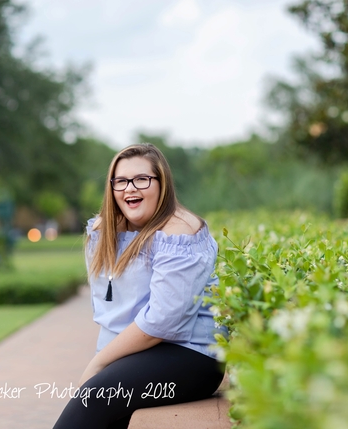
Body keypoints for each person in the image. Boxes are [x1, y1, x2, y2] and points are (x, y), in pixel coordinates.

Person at [53, 143, 226, 429]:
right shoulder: (104, 231)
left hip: (190, 354)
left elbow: (163, 322)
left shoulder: (180, 232)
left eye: (141, 179)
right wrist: (104, 361)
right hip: (139, 352)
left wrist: (97, 365)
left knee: (93, 399)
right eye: (121, 181)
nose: (130, 188)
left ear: (162, 183)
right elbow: (111, 309)